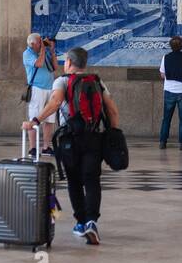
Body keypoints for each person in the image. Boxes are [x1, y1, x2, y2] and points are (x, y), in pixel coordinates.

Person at [23, 47, 119, 245]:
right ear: (84, 63)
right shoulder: (97, 81)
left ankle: (81, 223)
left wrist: (35, 120)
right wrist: (114, 134)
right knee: (92, 180)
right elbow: (112, 109)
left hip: (70, 140)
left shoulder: (62, 81)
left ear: (68, 62)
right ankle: (92, 222)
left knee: (74, 181)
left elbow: (55, 102)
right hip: (94, 137)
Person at [23, 34, 58, 158]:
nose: (41, 43)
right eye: (39, 42)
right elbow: (39, 63)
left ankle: (46, 147)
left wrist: (52, 51)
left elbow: (55, 67)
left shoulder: (44, 53)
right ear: (32, 44)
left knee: (49, 119)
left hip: (50, 88)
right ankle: (32, 148)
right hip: (37, 88)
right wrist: (43, 49)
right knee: (34, 118)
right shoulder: (27, 53)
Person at [158, 36, 182, 149]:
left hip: (169, 91)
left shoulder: (166, 57)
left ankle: (162, 142)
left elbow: (162, 74)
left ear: (170, 46)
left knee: (166, 118)